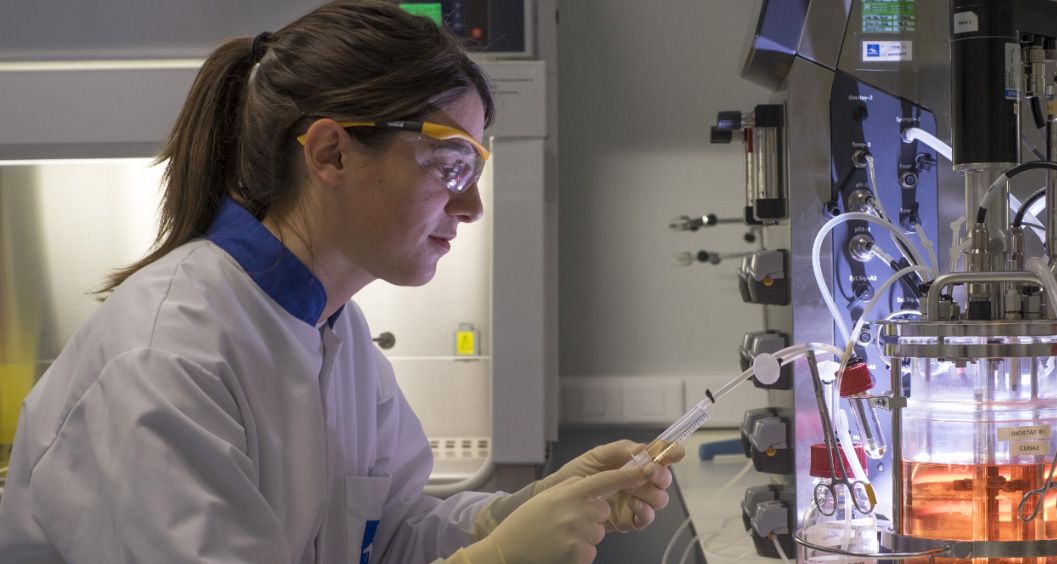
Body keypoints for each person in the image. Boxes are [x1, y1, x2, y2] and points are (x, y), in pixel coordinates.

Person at [0, 1, 682, 562]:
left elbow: (390, 536)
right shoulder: (165, 360)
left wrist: (521, 512)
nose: (472, 206)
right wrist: (494, 560)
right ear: (331, 154)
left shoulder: (335, 331)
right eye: (452, 164)